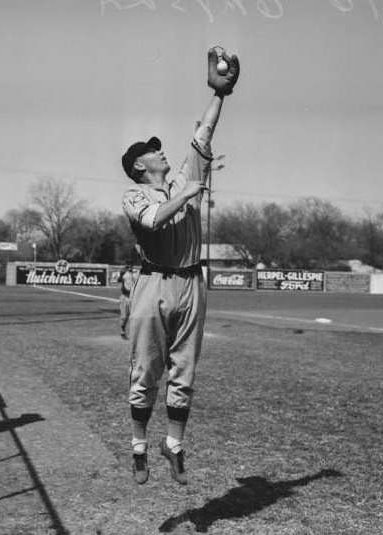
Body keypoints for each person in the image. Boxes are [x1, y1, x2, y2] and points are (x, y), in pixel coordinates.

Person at [120, 46, 239, 485]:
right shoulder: (134, 195)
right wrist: (188, 193)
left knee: (184, 368)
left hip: (192, 281)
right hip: (152, 282)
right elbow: (153, 220)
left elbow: (202, 136)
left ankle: (173, 444)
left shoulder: (182, 176)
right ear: (139, 165)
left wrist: (219, 95)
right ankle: (137, 446)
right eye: (153, 152)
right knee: (146, 370)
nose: (160, 152)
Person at [117, 262, 137, 340]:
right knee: (124, 316)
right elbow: (119, 280)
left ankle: (134, 334)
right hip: (125, 296)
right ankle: (122, 331)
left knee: (135, 316)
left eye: (131, 265)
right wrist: (122, 274)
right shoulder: (124, 274)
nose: (130, 267)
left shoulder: (135, 274)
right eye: (128, 266)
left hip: (133, 297)